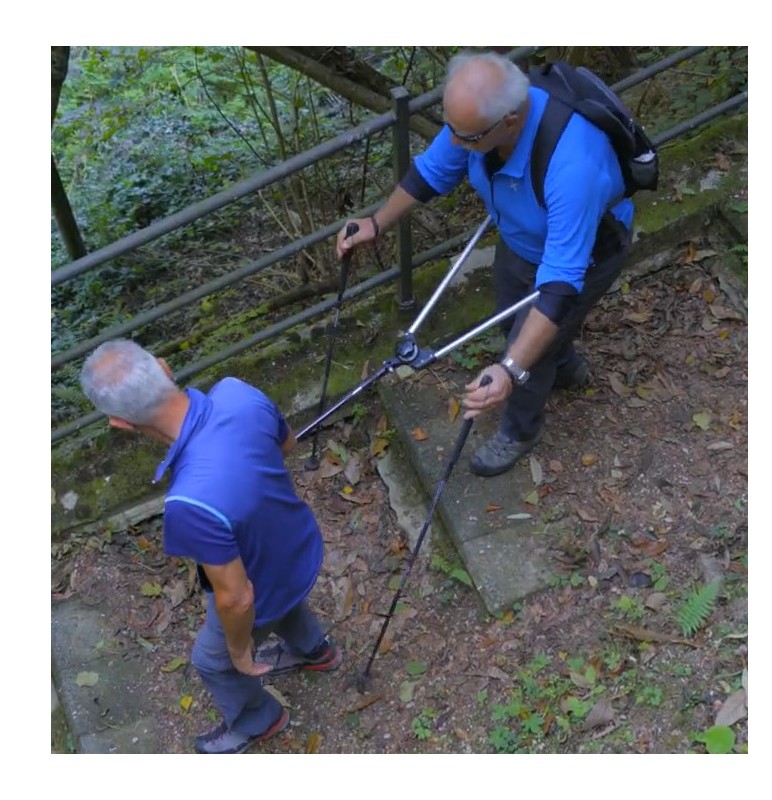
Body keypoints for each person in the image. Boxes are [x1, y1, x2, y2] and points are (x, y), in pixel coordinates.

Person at [336, 50, 633, 477]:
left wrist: (510, 369)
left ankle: (520, 429)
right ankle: (567, 366)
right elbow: (432, 172)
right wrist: (375, 223)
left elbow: (559, 287)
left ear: (511, 121)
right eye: (452, 129)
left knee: (529, 350)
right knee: (511, 321)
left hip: (586, 254)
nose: (456, 143)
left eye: (467, 137)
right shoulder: (479, 119)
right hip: (521, 238)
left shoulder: (573, 167)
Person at [79, 339, 342, 754]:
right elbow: (286, 444)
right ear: (165, 368)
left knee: (211, 659)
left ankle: (260, 721)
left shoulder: (189, 503)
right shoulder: (238, 393)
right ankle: (316, 651)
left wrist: (238, 651)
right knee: (283, 597)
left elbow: (237, 599)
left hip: (260, 580)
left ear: (121, 424)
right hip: (296, 545)